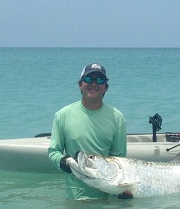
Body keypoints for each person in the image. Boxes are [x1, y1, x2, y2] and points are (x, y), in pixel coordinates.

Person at [48, 63, 132, 200]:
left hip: (106, 199)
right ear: (80, 84)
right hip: (76, 199)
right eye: (88, 79)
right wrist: (62, 162)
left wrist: (122, 191)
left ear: (106, 87)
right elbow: (53, 151)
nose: (94, 84)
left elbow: (119, 161)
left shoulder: (117, 118)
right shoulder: (62, 116)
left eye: (99, 80)